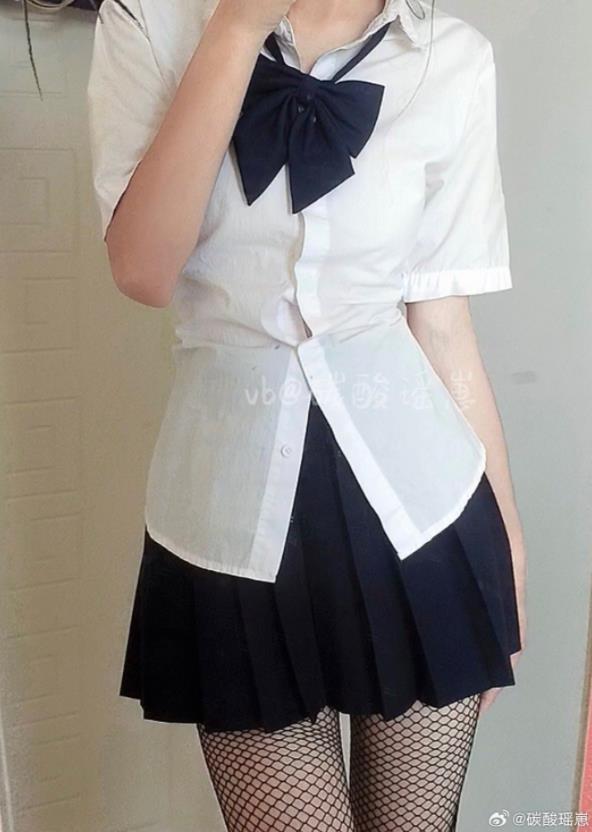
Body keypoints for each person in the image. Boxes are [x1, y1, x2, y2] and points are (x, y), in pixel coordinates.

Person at [86, 0, 528, 828]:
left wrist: (507, 553)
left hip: (424, 517)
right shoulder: (148, 20)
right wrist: (234, 29)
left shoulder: (451, 56)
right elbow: (143, 270)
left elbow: (442, 326)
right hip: (227, 534)